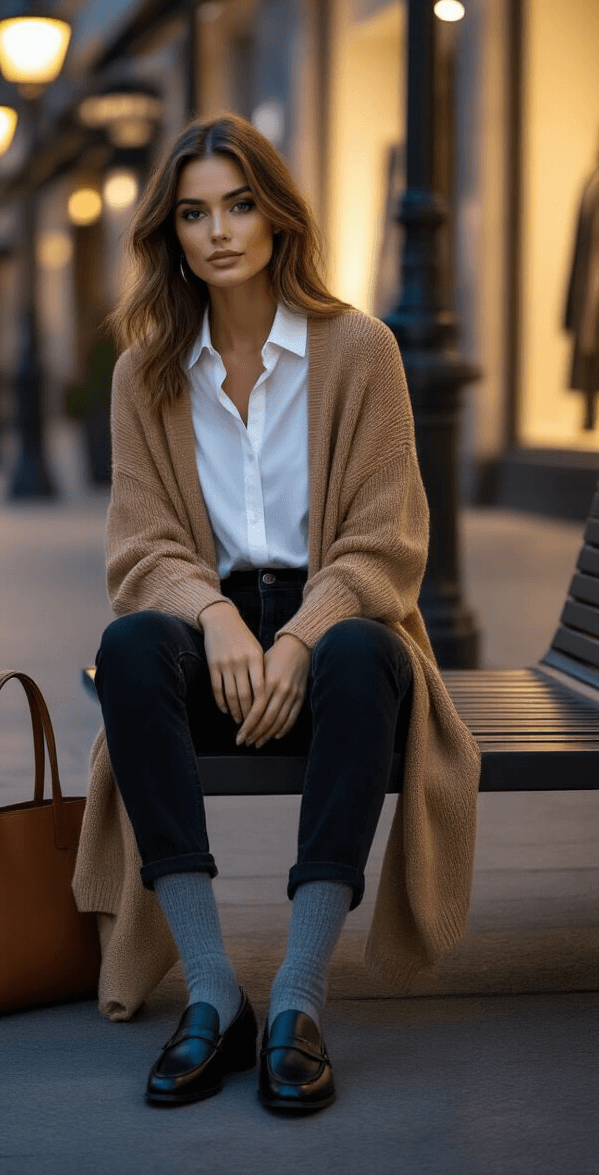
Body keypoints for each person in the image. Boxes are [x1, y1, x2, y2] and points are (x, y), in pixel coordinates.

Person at [92, 113, 480, 1114]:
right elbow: (140, 546)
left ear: (276, 217)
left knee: (359, 654)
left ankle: (299, 1002)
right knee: (129, 647)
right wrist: (217, 620)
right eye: (192, 212)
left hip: (336, 643)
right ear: (169, 233)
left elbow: (388, 540)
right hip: (212, 646)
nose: (218, 230)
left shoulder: (360, 350)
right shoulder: (145, 372)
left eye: (238, 204)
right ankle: (213, 994)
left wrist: (302, 632)